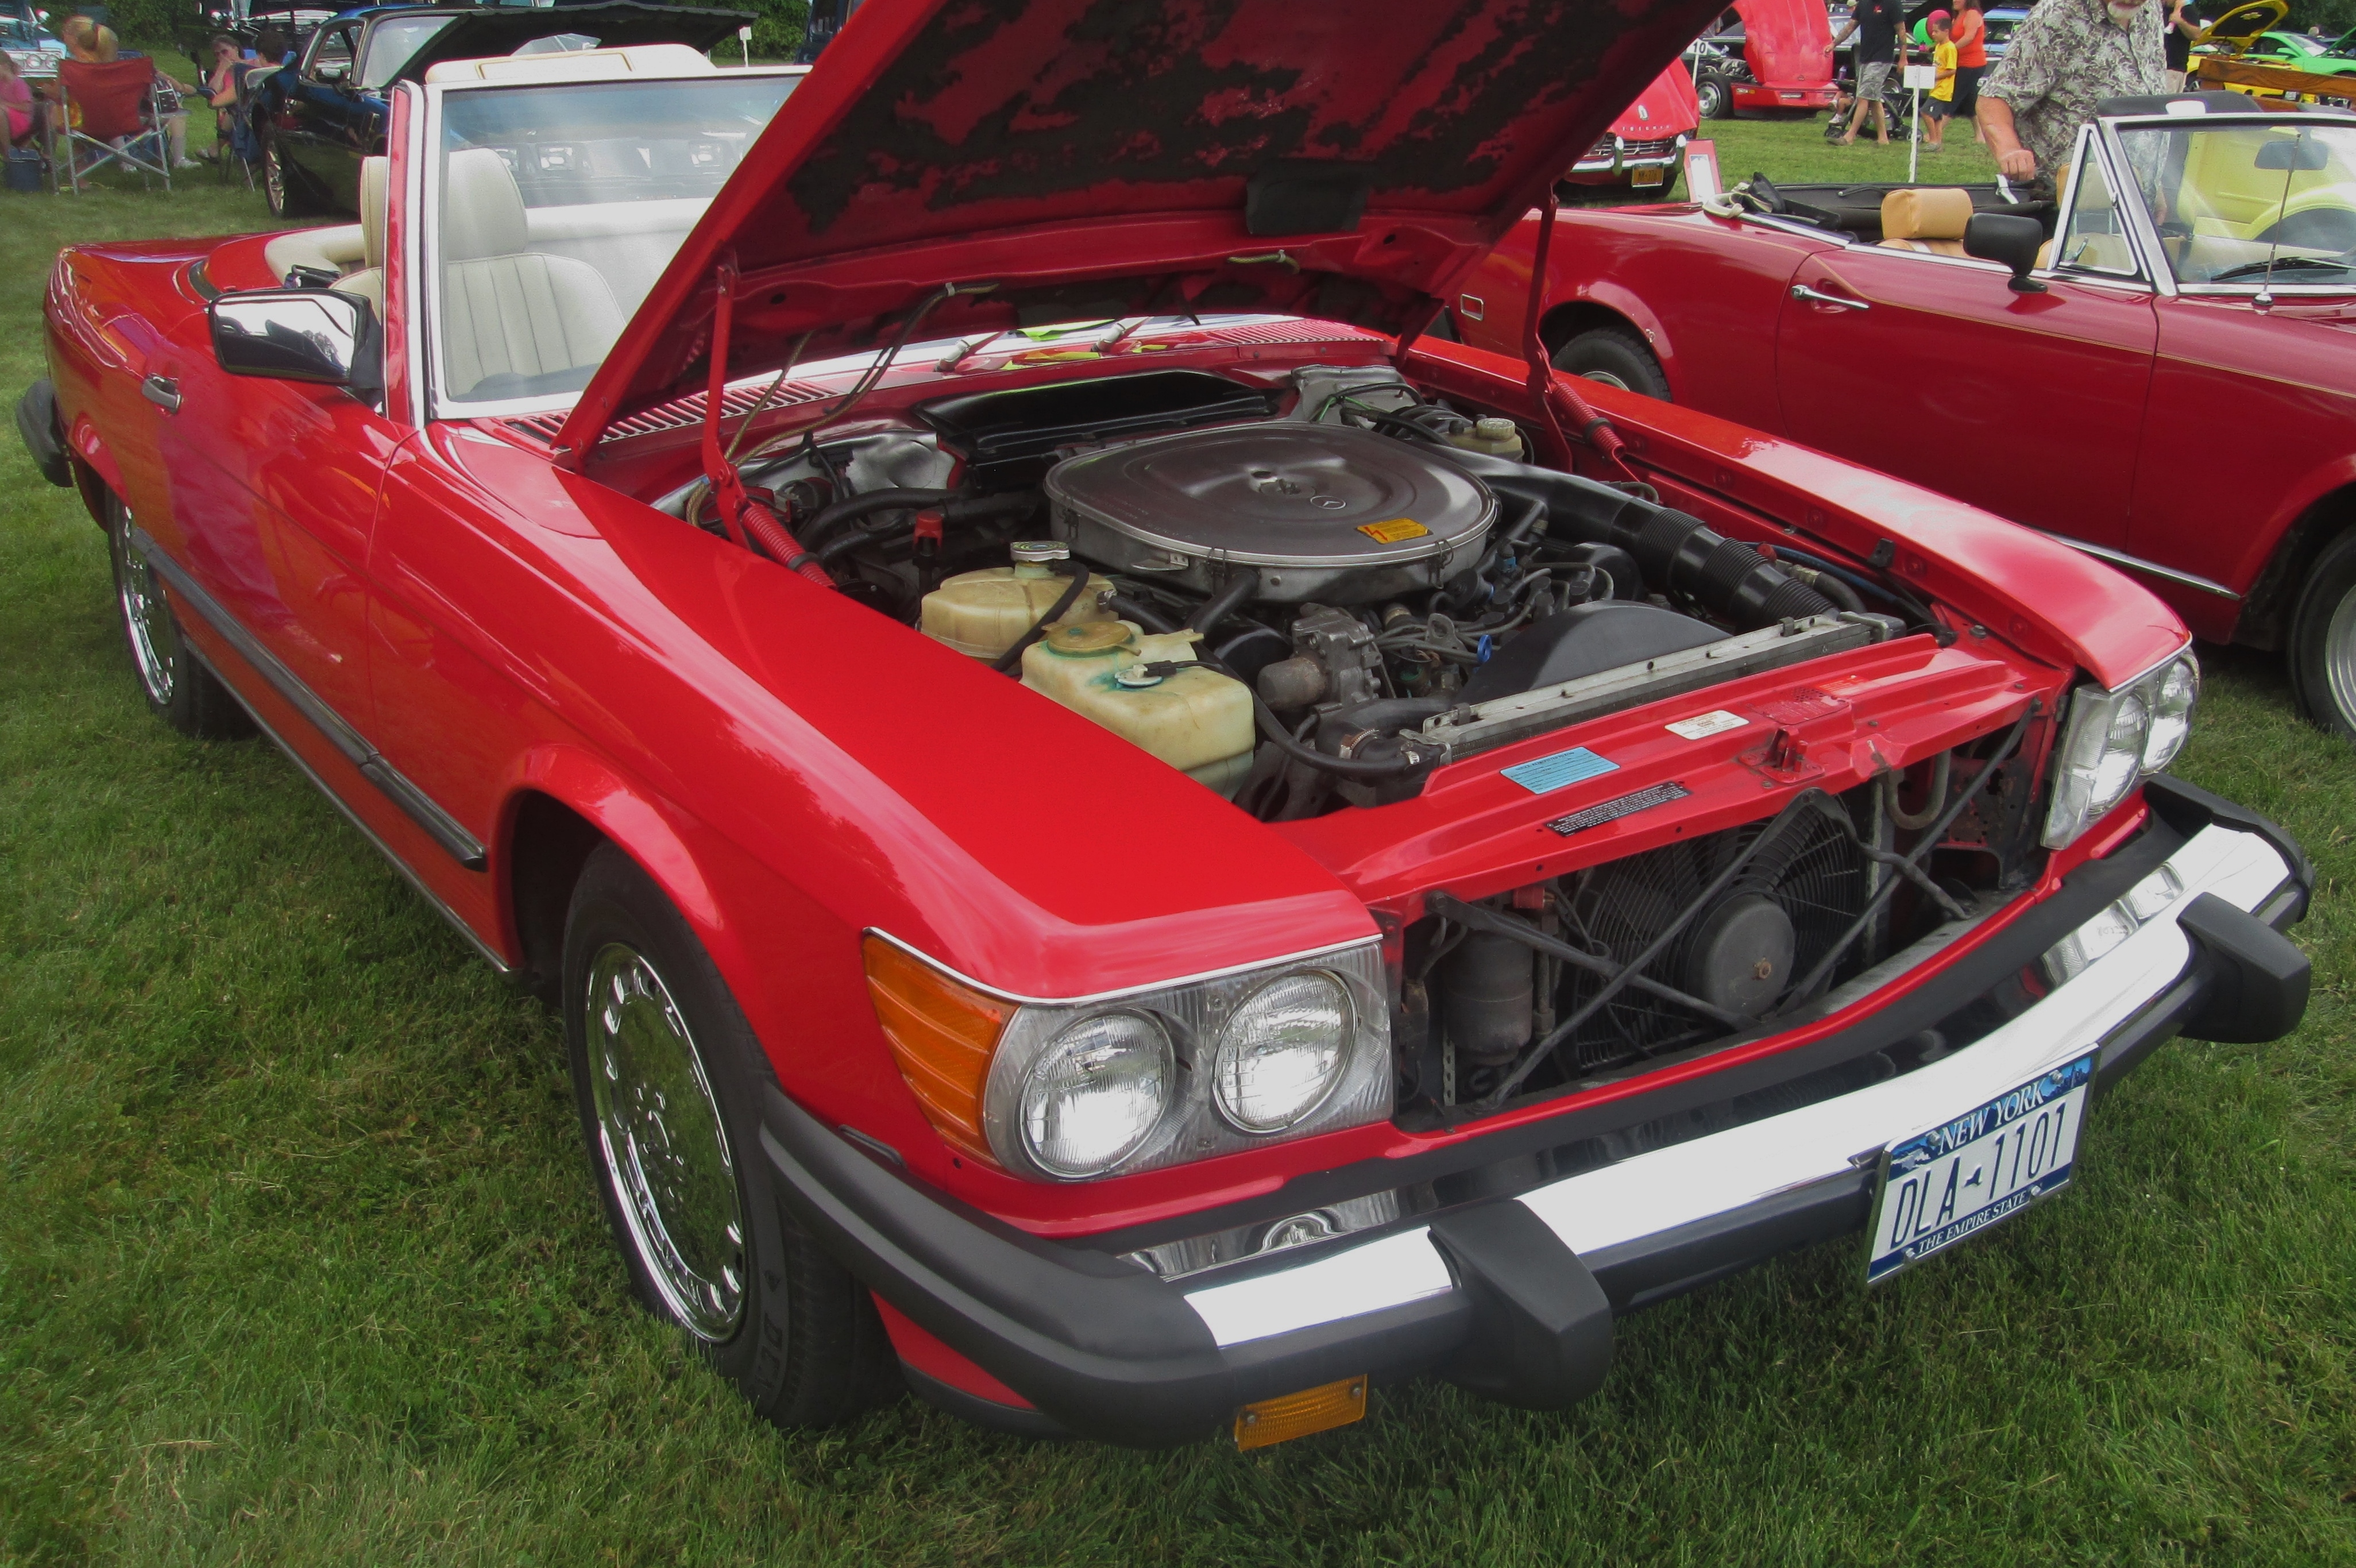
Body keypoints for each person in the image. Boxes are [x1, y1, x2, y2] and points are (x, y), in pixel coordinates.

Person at [1978, 0, 2165, 196]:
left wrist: (2154, 184)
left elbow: (2150, 88)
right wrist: (2010, 151)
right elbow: (1994, 99)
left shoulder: (2150, 9)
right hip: (2071, 201)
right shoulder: (2058, 14)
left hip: (2138, 197)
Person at [1833, 0, 1909, 145]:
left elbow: (1901, 31)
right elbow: (1850, 27)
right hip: (1865, 58)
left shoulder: (1893, 4)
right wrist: (1834, 43)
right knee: (1873, 98)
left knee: (1863, 98)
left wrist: (1903, 58)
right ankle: (1883, 138)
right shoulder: (1864, 4)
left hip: (1882, 59)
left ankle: (1850, 136)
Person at [1949, 0, 1989, 140]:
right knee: (1970, 100)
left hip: (1973, 64)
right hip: (1960, 63)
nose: (1954, 0)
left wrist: (1950, 50)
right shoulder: (1957, 16)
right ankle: (1981, 135)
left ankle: (1935, 135)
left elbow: (1969, 37)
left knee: (1954, 98)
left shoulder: (1972, 14)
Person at [1923, 11, 1960, 149]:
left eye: (1936, 32)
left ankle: (1933, 140)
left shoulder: (1950, 48)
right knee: (1937, 117)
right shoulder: (1938, 46)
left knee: (1925, 112)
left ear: (1946, 31)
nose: (1933, 34)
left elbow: (1952, 70)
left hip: (1943, 89)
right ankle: (1939, 144)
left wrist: (1934, 77)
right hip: (1935, 87)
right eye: (1933, 32)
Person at [2165, 0, 2203, 92]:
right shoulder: (2157, 10)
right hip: (2155, 67)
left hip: (2173, 70)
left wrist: (2180, 21)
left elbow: (2196, 35)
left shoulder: (2188, 10)